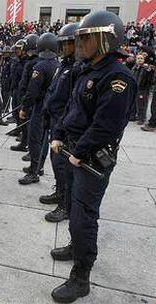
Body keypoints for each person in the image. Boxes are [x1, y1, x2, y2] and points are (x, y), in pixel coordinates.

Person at [49, 11, 137, 303]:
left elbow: (107, 126)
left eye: (87, 37)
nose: (81, 43)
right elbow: (72, 109)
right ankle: (76, 247)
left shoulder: (117, 77)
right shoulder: (87, 69)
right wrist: (60, 134)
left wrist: (81, 151)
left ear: (105, 40)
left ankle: (80, 277)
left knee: (84, 217)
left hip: (90, 158)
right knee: (74, 209)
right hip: (75, 150)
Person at [40, 23, 80, 223]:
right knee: (56, 163)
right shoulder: (63, 65)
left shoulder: (76, 68)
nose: (64, 47)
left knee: (63, 166)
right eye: (62, 43)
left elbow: (72, 101)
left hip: (65, 124)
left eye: (68, 43)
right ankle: (59, 193)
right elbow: (54, 92)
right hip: (55, 120)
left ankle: (65, 205)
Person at [19, 33, 60, 185]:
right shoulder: (58, 64)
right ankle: (39, 167)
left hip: (40, 107)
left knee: (34, 138)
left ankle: (34, 171)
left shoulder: (40, 66)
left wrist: (24, 107)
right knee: (43, 140)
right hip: (51, 108)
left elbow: (32, 91)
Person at [9, 34, 39, 157]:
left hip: (28, 96)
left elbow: (30, 83)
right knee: (21, 119)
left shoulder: (33, 62)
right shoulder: (22, 60)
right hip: (19, 92)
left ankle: (30, 149)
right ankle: (24, 140)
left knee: (29, 123)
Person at [130, 52, 154, 125]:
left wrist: (148, 69)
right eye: (138, 58)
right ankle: (132, 116)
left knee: (142, 104)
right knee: (133, 102)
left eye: (141, 58)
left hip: (143, 89)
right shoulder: (134, 67)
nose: (140, 60)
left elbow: (150, 77)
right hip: (135, 87)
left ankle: (141, 118)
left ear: (144, 60)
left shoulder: (146, 68)